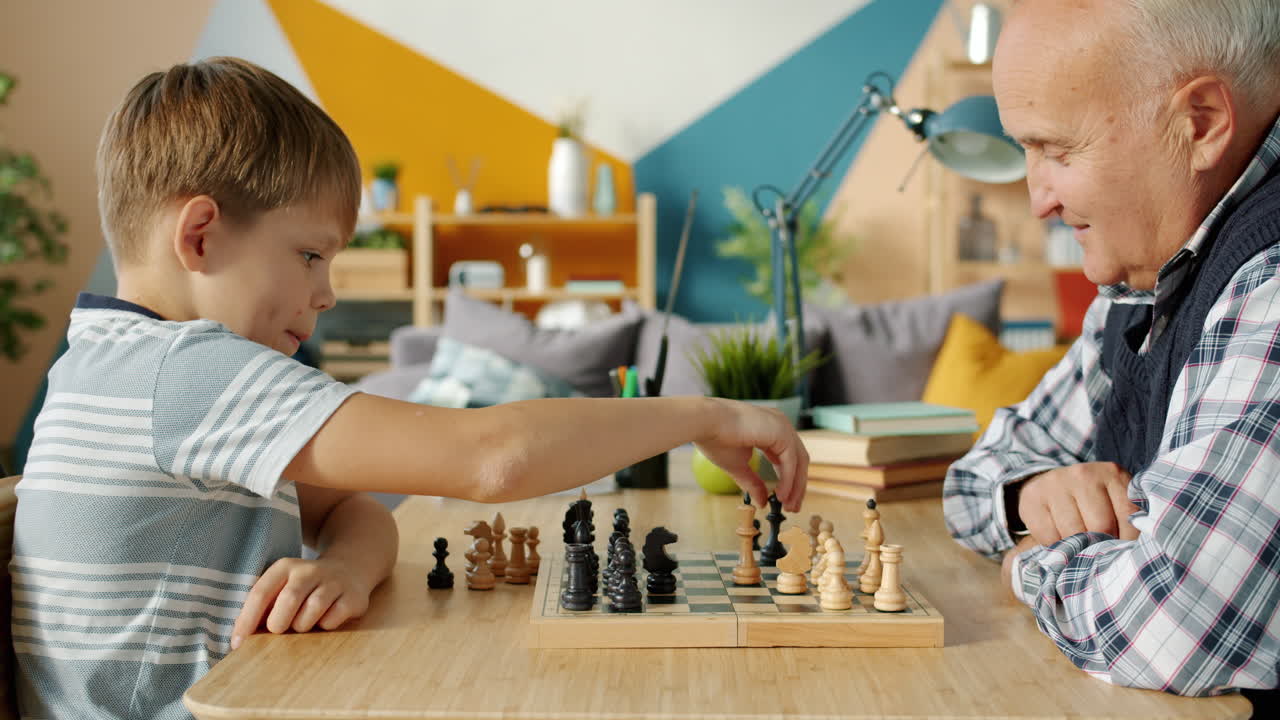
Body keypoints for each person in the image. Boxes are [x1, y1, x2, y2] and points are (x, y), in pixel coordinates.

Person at [11, 57, 809, 720]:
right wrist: (703, 412)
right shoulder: (185, 369)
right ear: (201, 235)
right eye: (310, 256)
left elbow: (349, 508)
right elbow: (492, 460)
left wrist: (347, 570)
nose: (325, 294)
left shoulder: (113, 363)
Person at [943, 0, 1280, 703]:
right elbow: (976, 477)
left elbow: (1168, 625)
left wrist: (1032, 560)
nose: (1038, 199)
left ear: (1201, 124)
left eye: (1058, 151)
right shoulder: (1153, 266)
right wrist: (1033, 493)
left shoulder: (1270, 283)